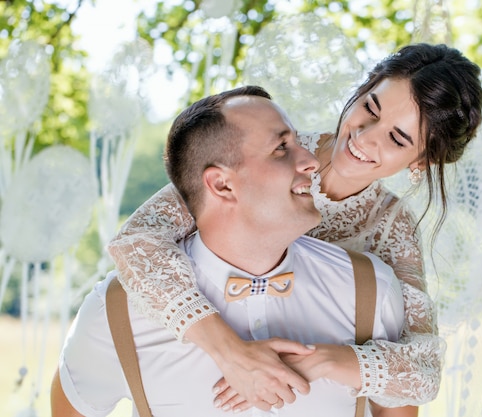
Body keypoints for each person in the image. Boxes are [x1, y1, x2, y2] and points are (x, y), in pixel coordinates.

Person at [107, 43, 482, 411]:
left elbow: (422, 370)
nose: (365, 136)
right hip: (193, 370)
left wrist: (322, 360)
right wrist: (231, 353)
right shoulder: (261, 153)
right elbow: (135, 243)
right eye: (370, 107)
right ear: (363, 88)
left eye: (397, 138)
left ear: (422, 161)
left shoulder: (392, 227)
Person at [51, 86, 411, 416]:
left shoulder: (373, 290)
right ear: (222, 184)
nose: (312, 162)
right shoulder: (115, 310)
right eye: (282, 148)